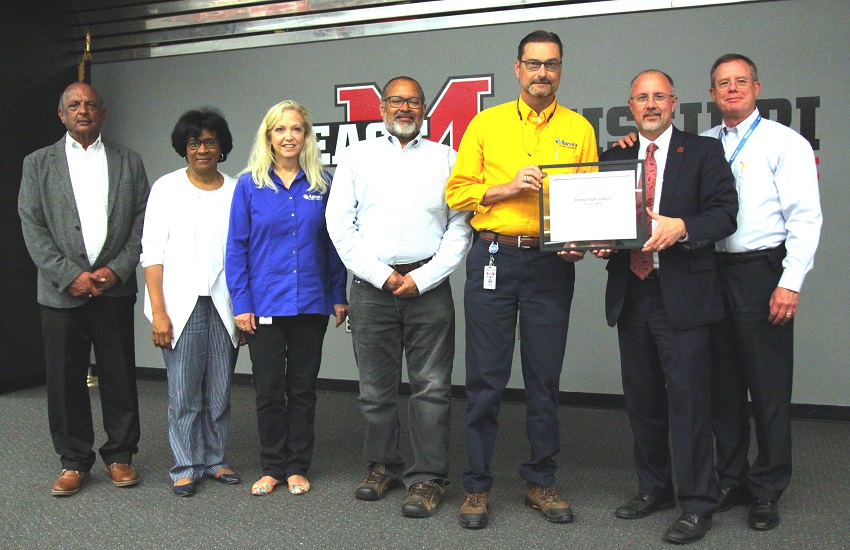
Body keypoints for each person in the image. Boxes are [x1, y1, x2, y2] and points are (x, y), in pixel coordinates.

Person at [445, 30, 598, 529]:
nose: (542, 73)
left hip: (550, 266)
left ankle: (541, 480)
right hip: (494, 257)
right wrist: (507, 187)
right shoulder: (486, 124)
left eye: (551, 64)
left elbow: (589, 199)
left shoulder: (578, 129)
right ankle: (477, 486)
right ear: (517, 69)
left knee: (544, 380)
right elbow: (456, 192)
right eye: (533, 64)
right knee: (485, 380)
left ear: (560, 69)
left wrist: (580, 239)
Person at [597, 70, 738, 544]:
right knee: (643, 403)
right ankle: (654, 488)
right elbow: (601, 219)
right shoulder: (612, 158)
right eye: (642, 97)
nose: (651, 104)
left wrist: (682, 226)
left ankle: (698, 504)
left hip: (683, 295)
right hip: (631, 293)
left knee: (691, 405)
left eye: (659, 96)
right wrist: (599, 242)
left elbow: (724, 214)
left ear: (675, 102)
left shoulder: (702, 152)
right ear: (630, 105)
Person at [326, 76, 471, 518]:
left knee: (431, 387)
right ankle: (382, 465)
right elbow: (339, 224)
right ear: (382, 107)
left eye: (413, 101)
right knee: (375, 388)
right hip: (372, 288)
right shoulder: (356, 158)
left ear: (425, 108)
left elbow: (460, 226)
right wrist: (381, 275)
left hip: (428, 287)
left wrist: (423, 278)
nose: (404, 108)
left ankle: (428, 477)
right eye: (396, 101)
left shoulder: (449, 158)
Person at [705, 54, 822, 531]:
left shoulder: (784, 142)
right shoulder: (705, 145)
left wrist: (789, 282)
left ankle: (769, 487)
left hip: (762, 272)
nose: (732, 90)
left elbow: (805, 217)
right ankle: (733, 478)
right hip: (711, 272)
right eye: (722, 84)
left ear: (756, 87)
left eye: (740, 82)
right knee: (724, 387)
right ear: (712, 94)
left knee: (768, 387)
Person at [18, 82, 149, 496]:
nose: (83, 110)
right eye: (74, 105)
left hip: (113, 288)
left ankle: (121, 455)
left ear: (103, 113)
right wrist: (67, 274)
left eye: (91, 104)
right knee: (64, 378)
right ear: (61, 115)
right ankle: (74, 461)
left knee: (119, 375)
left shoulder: (128, 161)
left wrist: (117, 268)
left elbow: (143, 220)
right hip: (61, 292)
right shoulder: (38, 164)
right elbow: (33, 225)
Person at [226, 100, 348, 497]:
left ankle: (297, 467)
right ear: (268, 137)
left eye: (296, 129)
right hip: (263, 306)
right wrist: (241, 303)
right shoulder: (249, 184)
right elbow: (236, 247)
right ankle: (272, 467)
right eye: (280, 129)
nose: (289, 136)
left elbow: (333, 245)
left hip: (311, 302)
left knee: (302, 389)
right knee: (267, 390)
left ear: (306, 136)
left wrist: (338, 295)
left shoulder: (323, 184)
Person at [141, 108, 241, 497]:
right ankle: (185, 465)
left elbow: (243, 253)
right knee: (184, 393)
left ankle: (215, 460)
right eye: (194, 142)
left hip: (224, 304)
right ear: (184, 147)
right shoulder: (166, 188)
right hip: (179, 306)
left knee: (219, 391)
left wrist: (244, 310)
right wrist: (159, 312)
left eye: (210, 142)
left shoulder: (236, 190)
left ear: (222, 147)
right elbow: (152, 253)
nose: (202, 149)